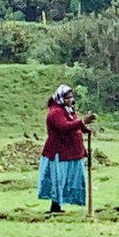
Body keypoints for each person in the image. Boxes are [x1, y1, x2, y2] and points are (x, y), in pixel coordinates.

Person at [38, 83, 94, 213]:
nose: (70, 100)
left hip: (71, 151)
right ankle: (55, 207)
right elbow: (64, 127)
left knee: (67, 179)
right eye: (67, 98)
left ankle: (59, 205)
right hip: (59, 152)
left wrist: (85, 129)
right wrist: (82, 122)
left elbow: (73, 123)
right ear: (60, 98)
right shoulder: (55, 112)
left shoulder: (68, 110)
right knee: (58, 179)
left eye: (71, 97)